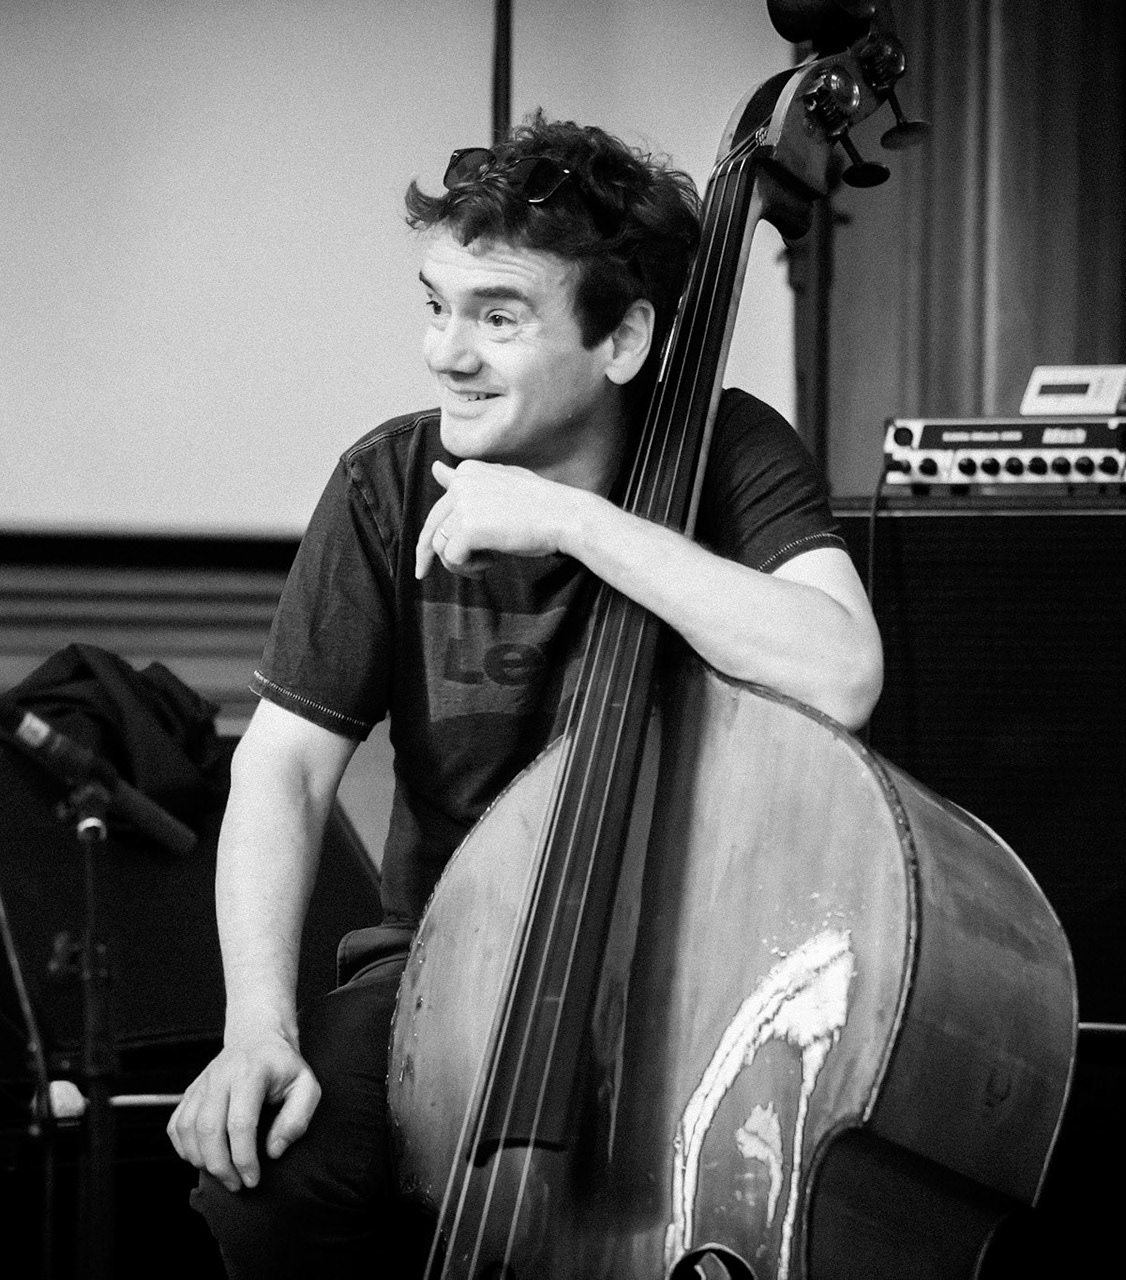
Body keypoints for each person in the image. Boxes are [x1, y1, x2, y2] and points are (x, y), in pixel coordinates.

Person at [166, 113, 883, 1277]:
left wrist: (570, 521)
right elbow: (283, 767)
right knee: (271, 1179)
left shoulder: (726, 449)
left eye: (497, 316)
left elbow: (841, 668)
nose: (446, 352)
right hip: (432, 971)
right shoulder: (387, 480)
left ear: (624, 338)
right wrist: (258, 1026)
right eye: (436, 305)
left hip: (700, 976)